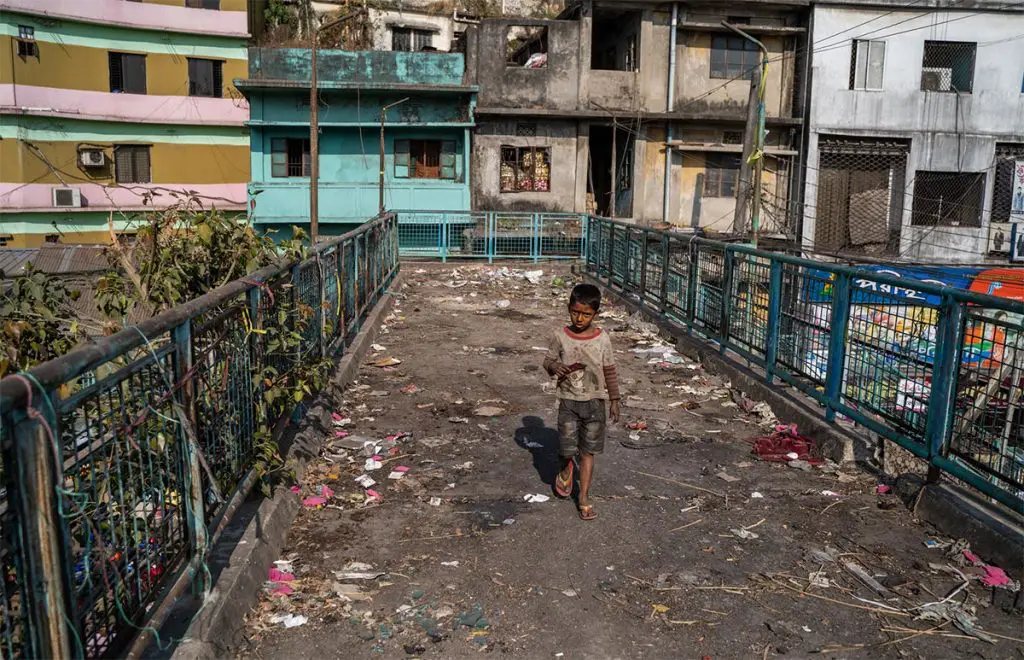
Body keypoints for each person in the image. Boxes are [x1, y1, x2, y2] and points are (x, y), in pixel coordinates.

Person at [543, 283, 620, 520]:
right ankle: (566, 466)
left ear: (595, 314)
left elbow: (609, 369)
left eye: (586, 314)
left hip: (595, 402)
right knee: (567, 448)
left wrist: (615, 399)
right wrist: (555, 367)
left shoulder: (602, 339)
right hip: (568, 400)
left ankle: (584, 498)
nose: (580, 318)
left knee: (588, 452)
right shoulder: (560, 336)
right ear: (569, 309)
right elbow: (547, 360)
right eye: (576, 312)